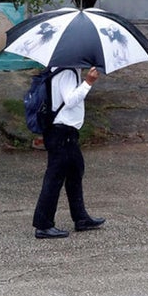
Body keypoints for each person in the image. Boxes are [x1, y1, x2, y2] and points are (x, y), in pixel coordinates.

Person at [32, 65, 106, 239]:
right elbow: (71, 100)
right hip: (62, 132)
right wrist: (88, 82)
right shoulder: (67, 71)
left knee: (75, 170)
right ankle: (43, 224)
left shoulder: (64, 69)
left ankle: (81, 218)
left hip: (64, 132)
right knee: (54, 178)